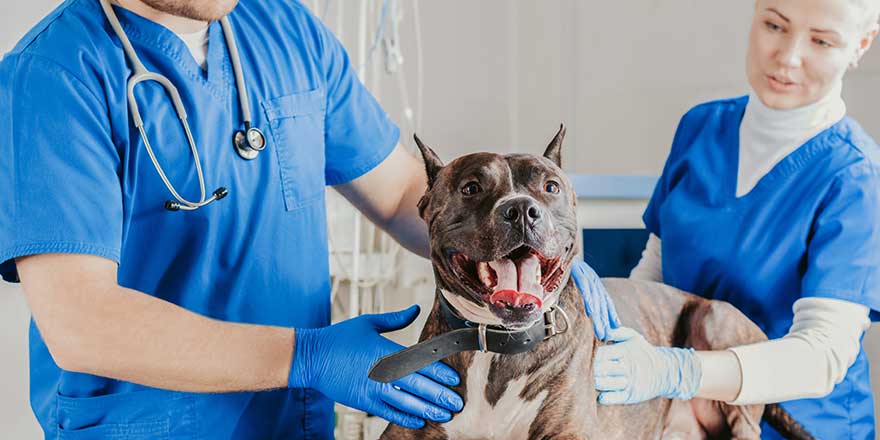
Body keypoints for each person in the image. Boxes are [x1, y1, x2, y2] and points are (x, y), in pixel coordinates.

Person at [0, 0, 617, 438]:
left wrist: (530, 256)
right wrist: (307, 358)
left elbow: (410, 194)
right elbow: (83, 325)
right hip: (146, 428)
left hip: (290, 424)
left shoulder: (286, 29)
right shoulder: (54, 74)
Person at [592, 0, 880, 438]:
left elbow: (822, 356)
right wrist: (609, 343)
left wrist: (677, 371)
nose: (788, 56)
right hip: (681, 420)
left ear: (861, 45)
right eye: (774, 25)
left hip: (797, 425)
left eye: (821, 40)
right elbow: (653, 275)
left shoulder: (855, 177)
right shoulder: (701, 128)